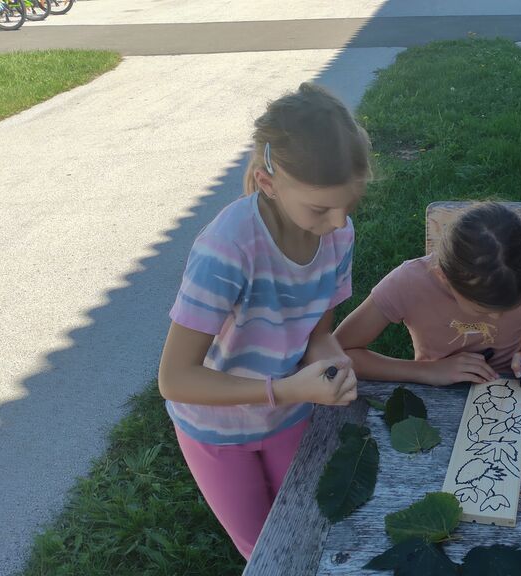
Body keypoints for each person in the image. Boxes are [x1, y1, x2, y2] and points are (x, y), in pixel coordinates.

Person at [157, 82, 368, 560]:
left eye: (349, 205)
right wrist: (285, 389)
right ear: (269, 184)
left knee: (306, 523)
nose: (339, 222)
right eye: (321, 209)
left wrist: (333, 365)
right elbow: (174, 378)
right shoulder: (227, 248)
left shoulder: (337, 235)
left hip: (288, 412)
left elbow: (318, 333)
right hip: (215, 428)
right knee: (264, 549)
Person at [335, 202, 521, 386]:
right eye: (481, 309)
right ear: (444, 277)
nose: (496, 318)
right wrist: (427, 371)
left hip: (512, 384)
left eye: (509, 307)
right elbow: (340, 353)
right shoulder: (408, 282)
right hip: (437, 389)